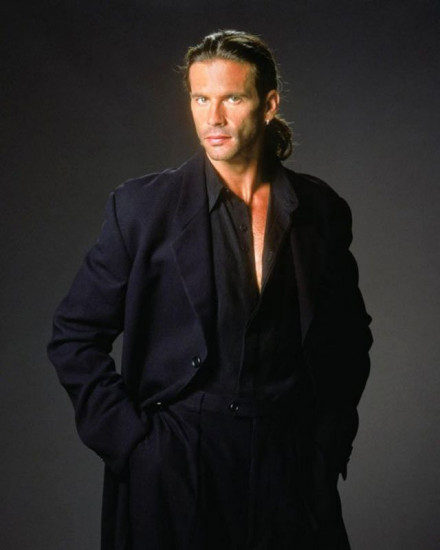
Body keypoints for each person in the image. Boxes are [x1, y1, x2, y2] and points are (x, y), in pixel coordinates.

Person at [48, 30, 372, 550]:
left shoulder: (321, 210)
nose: (213, 117)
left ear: (269, 104)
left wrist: (327, 445)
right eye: (201, 99)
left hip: (289, 469)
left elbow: (349, 339)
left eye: (232, 98)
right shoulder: (143, 208)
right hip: (177, 464)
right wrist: (134, 447)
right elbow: (74, 336)